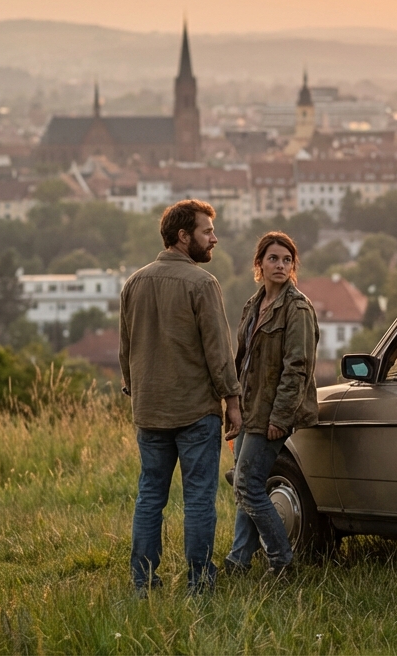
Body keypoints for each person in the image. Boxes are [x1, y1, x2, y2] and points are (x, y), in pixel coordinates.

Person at [119, 199, 242, 595]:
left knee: (149, 497)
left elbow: (126, 350)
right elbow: (219, 351)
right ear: (183, 236)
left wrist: (135, 390)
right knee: (199, 500)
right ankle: (199, 581)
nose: (214, 239)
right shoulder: (203, 284)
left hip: (149, 409)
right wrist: (233, 401)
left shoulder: (134, 282)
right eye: (207, 232)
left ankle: (143, 582)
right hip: (194, 411)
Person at [224, 231, 319, 578]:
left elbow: (298, 368)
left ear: (293, 266)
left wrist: (281, 416)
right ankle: (238, 560)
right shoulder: (254, 304)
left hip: (272, 414)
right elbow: (243, 361)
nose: (280, 265)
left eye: (287, 260)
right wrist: (232, 406)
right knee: (245, 486)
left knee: (247, 484)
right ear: (259, 264)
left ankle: (281, 560)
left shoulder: (298, 308)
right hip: (249, 410)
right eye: (273, 259)